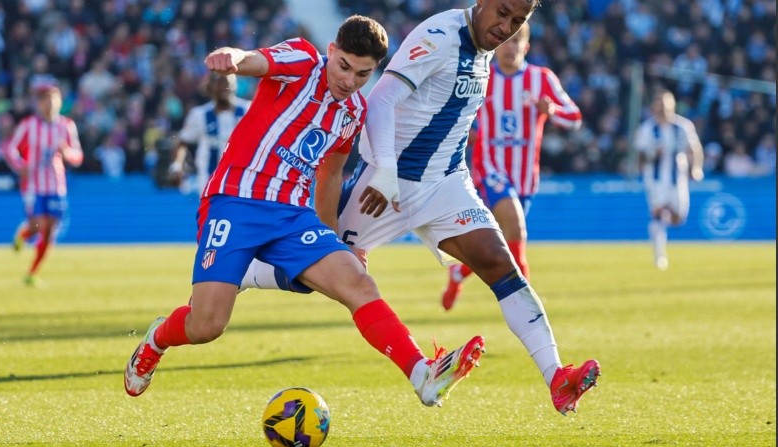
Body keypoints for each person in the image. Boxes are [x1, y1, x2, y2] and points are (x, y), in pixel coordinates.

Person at [241, 0, 600, 415]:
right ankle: (242, 273)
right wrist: (387, 172)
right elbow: (380, 101)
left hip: (446, 183)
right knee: (322, 272)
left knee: (499, 263)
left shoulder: (483, 50)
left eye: (517, 22)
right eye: (501, 14)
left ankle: (557, 376)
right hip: (387, 186)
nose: (505, 27)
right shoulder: (440, 36)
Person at [124, 15, 486, 409]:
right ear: (331, 51)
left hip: (291, 217)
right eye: (344, 66)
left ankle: (422, 374)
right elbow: (256, 60)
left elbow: (330, 176)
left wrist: (332, 238)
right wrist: (232, 57)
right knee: (207, 325)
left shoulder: (354, 113)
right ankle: (159, 338)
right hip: (235, 201)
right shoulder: (301, 59)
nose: (349, 80)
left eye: (363, 74)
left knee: (359, 283)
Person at [441, 22, 582, 310]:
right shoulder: (483, 76)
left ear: (526, 47)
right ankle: (528, 307)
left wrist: (551, 111)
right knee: (515, 228)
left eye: (517, 41)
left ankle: (459, 271)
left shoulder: (541, 79)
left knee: (502, 242)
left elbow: (575, 117)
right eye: (506, 40)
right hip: (489, 168)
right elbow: (456, 112)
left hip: (525, 177)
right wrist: (465, 132)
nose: (510, 46)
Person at [3, 79, 84, 286]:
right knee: (39, 225)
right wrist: (20, 166)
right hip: (33, 185)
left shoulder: (67, 126)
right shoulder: (29, 125)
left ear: (59, 101)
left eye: (53, 98)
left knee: (48, 231)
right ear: (38, 103)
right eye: (44, 99)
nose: (49, 103)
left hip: (56, 185)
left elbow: (78, 156)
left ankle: (31, 273)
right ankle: (24, 232)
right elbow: (10, 149)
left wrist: (68, 153)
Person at [635, 89, 704, 270]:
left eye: (665, 104)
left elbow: (694, 149)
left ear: (672, 105)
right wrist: (652, 156)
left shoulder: (683, 126)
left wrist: (696, 168)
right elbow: (640, 158)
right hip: (655, 180)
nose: (662, 109)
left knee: (678, 218)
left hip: (677, 178)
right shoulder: (648, 129)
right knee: (657, 214)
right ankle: (659, 256)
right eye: (658, 105)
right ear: (653, 107)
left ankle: (663, 220)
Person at [167, 72, 251, 195]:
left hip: (242, 183)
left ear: (235, 85)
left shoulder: (248, 110)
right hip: (209, 184)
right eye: (220, 83)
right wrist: (177, 166)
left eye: (227, 83)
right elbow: (182, 141)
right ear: (211, 87)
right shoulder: (199, 115)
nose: (224, 87)